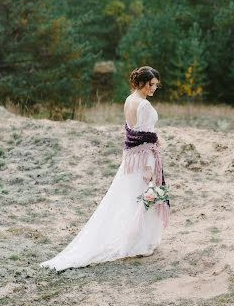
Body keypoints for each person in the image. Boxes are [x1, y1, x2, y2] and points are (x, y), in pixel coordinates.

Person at [40, 65, 170, 272]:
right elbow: (145, 137)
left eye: (156, 85)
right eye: (151, 84)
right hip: (143, 160)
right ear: (141, 83)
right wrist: (149, 166)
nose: (154, 88)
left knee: (132, 198)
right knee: (143, 199)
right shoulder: (143, 105)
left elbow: (132, 134)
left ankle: (134, 238)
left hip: (131, 159)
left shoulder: (129, 100)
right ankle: (139, 242)